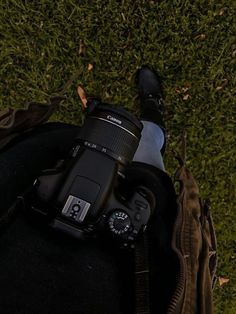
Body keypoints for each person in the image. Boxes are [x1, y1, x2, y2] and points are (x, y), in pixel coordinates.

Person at [0, 66, 216, 314]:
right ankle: (152, 109)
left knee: (66, 141)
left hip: (23, 188)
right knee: (147, 149)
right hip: (135, 267)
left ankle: (101, 124)